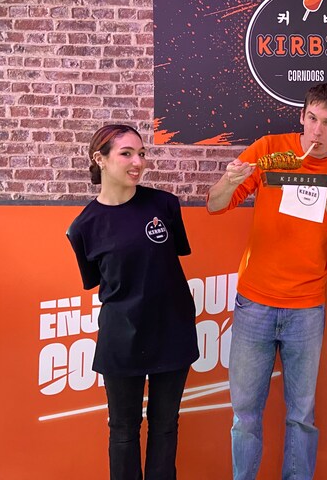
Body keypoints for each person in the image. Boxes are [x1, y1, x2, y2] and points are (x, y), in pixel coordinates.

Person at [206, 81, 327, 480]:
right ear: (301, 116)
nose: (317, 130)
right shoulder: (269, 149)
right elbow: (215, 205)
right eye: (312, 118)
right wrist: (229, 180)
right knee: (245, 414)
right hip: (254, 302)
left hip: (306, 308)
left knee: (301, 416)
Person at [66, 124, 199, 480]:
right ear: (100, 159)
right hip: (121, 337)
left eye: (141, 153)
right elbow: (100, 282)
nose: (137, 162)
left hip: (172, 329)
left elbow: (171, 258)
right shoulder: (83, 227)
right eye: (126, 154)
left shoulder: (164, 205)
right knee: (123, 430)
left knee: (165, 425)